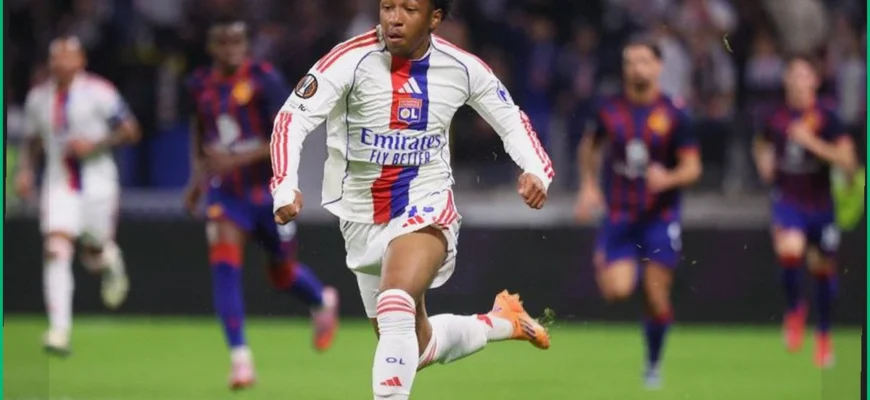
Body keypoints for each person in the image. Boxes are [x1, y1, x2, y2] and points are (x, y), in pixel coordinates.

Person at [269, 0, 554, 398]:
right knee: (414, 346)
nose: (394, 18)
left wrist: (536, 169)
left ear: (434, 18)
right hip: (360, 215)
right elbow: (292, 118)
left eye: (408, 9)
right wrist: (284, 183)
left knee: (396, 305)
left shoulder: (461, 67)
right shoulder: (349, 59)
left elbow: (511, 119)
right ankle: (501, 322)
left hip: (426, 201)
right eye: (387, 6)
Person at [182, 18, 339, 390]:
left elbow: (285, 134)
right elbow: (201, 130)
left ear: (246, 45)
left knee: (282, 273)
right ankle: (240, 360)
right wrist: (197, 180)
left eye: (237, 41)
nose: (231, 49)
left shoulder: (264, 79)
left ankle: (320, 299)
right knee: (224, 266)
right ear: (212, 47)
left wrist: (235, 160)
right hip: (226, 193)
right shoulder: (200, 84)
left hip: (269, 191)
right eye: (224, 42)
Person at [574, 39, 702, 389]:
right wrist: (588, 185)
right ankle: (613, 260)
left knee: (656, 295)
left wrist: (669, 178)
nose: (637, 68)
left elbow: (693, 167)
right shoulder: (609, 109)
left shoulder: (675, 113)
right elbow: (589, 146)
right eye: (630, 62)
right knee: (617, 291)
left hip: (660, 217)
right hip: (619, 215)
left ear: (658, 66)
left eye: (644, 61)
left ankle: (653, 364)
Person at [15, 36, 140, 356]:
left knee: (93, 254)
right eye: (56, 57)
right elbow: (32, 139)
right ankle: (59, 330)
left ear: (81, 61)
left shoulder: (99, 92)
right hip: (59, 184)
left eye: (68, 57)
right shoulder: (38, 98)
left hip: (98, 184)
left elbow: (130, 130)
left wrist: (96, 144)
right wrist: (24, 171)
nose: (61, 63)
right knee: (56, 248)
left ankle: (109, 260)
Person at [752, 55, 858, 368]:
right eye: (793, 75)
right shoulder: (774, 115)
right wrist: (763, 161)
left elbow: (849, 162)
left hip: (821, 203)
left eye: (804, 75)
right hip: (788, 200)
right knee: (790, 249)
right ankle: (795, 309)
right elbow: (760, 143)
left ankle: (824, 336)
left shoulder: (828, 116)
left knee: (823, 270)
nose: (798, 82)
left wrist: (811, 142)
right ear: (786, 80)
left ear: (814, 80)